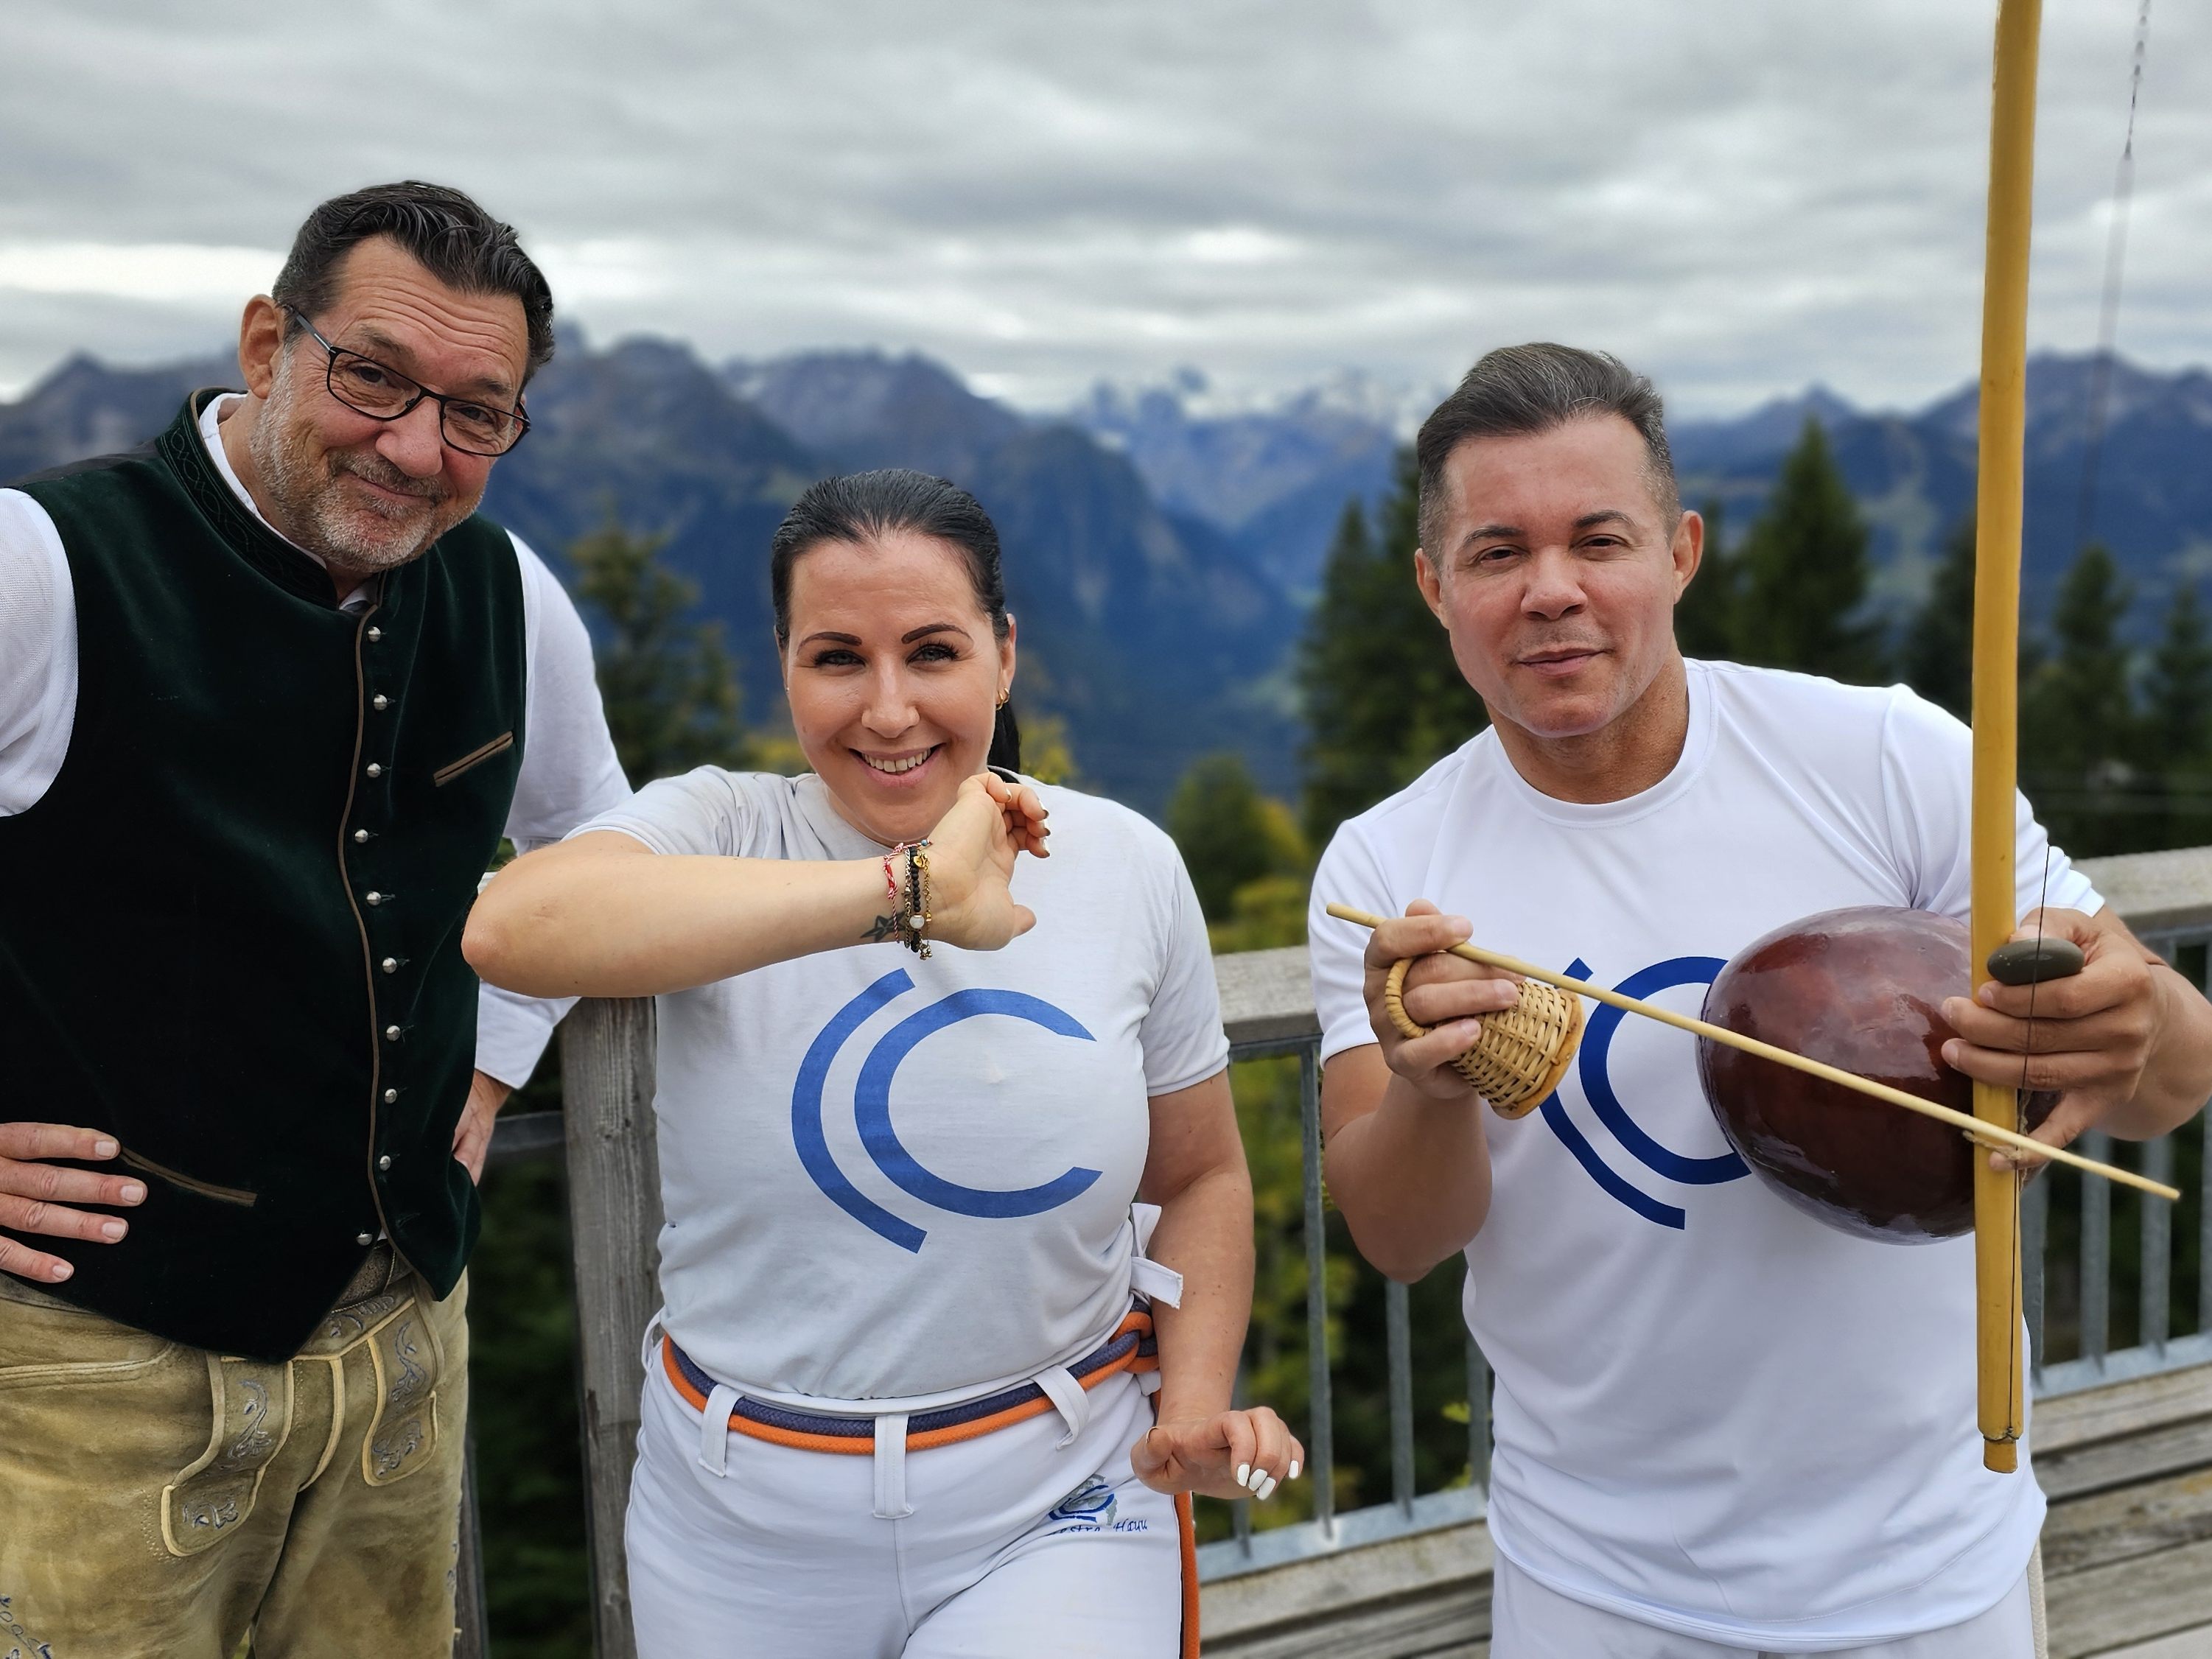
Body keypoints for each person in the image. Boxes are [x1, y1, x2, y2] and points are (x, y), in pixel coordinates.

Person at [1305, 343, 2212, 1657]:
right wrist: (1429, 1088)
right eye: (1498, 552)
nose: (1552, 591)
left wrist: (2145, 1023)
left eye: (1597, 540)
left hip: (1931, 1560)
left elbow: (2167, 1088)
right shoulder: (1390, 868)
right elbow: (1397, 1237)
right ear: (1433, 586)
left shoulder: (1888, 758)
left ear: (1679, 552)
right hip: (1595, 1580)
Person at [466, 468, 1301, 1658]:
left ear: (1003, 656)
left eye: (932, 652)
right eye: (838, 658)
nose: (890, 709)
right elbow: (513, 928)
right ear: (786, 668)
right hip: (736, 1521)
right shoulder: (726, 830)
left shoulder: (1123, 863)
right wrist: (909, 893)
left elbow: (1204, 1176)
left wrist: (1198, 1401)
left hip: (1055, 1491)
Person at [0, 182, 628, 1657]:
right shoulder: (42, 566)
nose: (419, 447)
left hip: (409, 1343)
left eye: (477, 412)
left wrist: (494, 1059)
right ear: (270, 340)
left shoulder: (509, 589)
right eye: (375, 378)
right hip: (100, 1364)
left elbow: (595, 840)